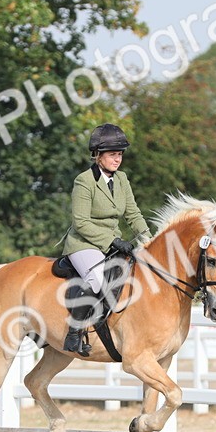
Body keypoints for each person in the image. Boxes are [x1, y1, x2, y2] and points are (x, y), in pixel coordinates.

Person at [59, 123, 151, 355]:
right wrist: (112, 241)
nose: (117, 159)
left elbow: (133, 213)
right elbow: (81, 222)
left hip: (113, 245)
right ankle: (74, 333)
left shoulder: (122, 180)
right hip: (84, 244)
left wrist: (149, 240)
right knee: (97, 280)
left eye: (119, 154)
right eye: (112, 154)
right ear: (98, 156)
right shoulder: (84, 181)